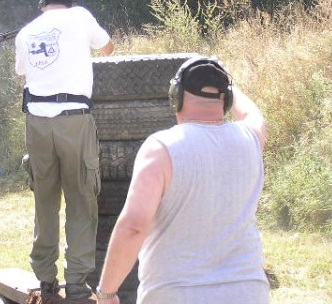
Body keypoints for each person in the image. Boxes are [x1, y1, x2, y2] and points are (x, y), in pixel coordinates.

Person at [95, 56, 270, 304]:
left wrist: (107, 293)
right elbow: (253, 114)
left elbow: (134, 225)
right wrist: (227, 82)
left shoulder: (161, 148)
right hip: (248, 293)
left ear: (175, 97)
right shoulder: (251, 138)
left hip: (177, 294)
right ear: (226, 99)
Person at [15, 0, 114, 304]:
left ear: (44, 5)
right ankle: (76, 287)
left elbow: (21, 70)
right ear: (69, 3)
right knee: (81, 198)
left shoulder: (26, 32)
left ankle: (45, 282)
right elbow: (107, 47)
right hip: (73, 118)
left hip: (36, 122)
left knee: (45, 200)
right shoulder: (81, 16)